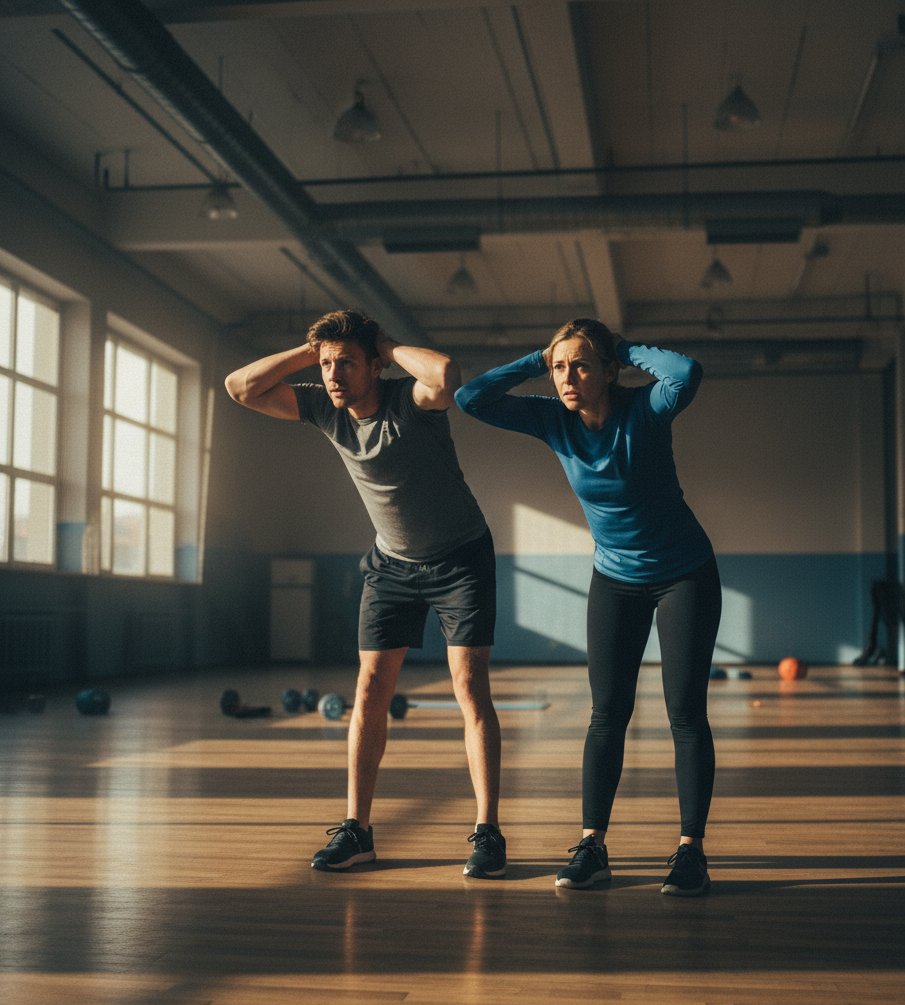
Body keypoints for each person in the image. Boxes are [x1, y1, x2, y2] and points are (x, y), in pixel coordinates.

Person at [225, 310, 505, 879]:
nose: (333, 375)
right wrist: (316, 351)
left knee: (469, 687)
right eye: (328, 365)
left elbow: (447, 373)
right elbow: (239, 388)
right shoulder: (326, 407)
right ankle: (358, 831)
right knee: (370, 687)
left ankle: (487, 831)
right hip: (391, 566)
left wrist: (383, 344)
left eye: (345, 363)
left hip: (461, 559)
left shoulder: (411, 401)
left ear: (374, 364)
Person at [455, 318, 721, 895]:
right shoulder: (554, 419)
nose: (567, 378)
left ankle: (690, 851)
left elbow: (687, 372)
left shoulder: (646, 408)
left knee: (685, 714)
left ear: (607, 370)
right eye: (559, 368)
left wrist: (621, 347)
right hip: (615, 579)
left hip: (685, 575)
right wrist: (539, 356)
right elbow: (469, 398)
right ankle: (593, 845)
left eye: (580, 365)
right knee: (607, 714)